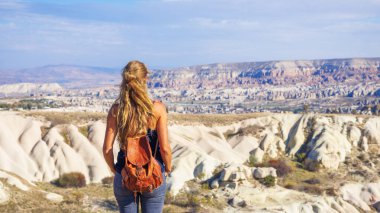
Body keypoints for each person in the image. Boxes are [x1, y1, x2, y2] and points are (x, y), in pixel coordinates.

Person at [103, 60, 172, 213]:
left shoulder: (116, 110)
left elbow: (107, 149)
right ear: (145, 79)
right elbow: (165, 148)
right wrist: (166, 168)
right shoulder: (157, 109)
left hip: (125, 174)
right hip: (153, 173)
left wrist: (116, 170)